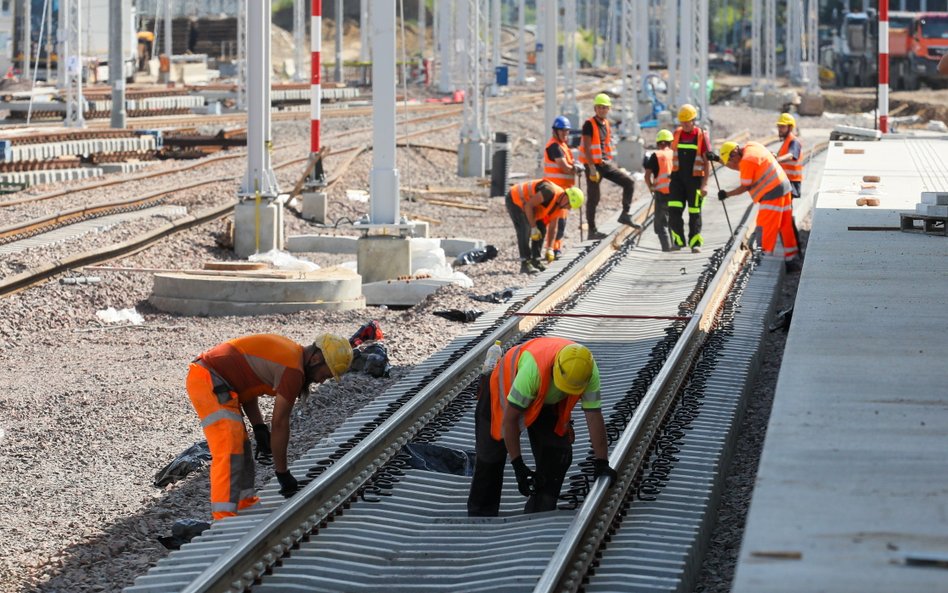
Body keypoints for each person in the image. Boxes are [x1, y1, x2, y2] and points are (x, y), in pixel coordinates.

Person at [186, 333, 353, 521]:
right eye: (325, 374)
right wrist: (283, 473)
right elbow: (280, 423)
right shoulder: (294, 371)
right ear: (315, 358)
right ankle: (224, 518)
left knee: (241, 446)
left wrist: (258, 428)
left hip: (216, 379)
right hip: (207, 378)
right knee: (229, 446)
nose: (321, 381)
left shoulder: (291, 355)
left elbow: (246, 381)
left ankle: (244, 503)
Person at [467, 337, 618, 516]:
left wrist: (602, 462)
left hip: (546, 400)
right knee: (490, 456)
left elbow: (594, 417)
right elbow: (509, 421)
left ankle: (539, 512)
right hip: (503, 392)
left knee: (557, 454)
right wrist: (518, 466)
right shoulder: (532, 372)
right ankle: (481, 516)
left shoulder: (587, 371)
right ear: (555, 370)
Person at [717, 141, 802, 272]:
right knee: (785, 226)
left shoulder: (747, 161)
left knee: (764, 227)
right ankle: (792, 260)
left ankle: (764, 260)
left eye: (730, 160)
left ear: (734, 154)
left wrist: (727, 194)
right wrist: (718, 159)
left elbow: (745, 186)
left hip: (772, 194)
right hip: (784, 188)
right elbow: (739, 166)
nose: (731, 163)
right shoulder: (752, 146)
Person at [580, 93, 637, 240]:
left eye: (605, 108)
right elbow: (586, 148)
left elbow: (605, 145)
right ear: (595, 108)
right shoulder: (589, 124)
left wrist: (612, 163)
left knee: (628, 182)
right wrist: (591, 168)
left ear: (608, 109)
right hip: (593, 165)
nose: (602, 110)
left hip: (604, 164)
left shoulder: (606, 124)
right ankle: (592, 231)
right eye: (599, 107)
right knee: (594, 198)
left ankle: (625, 214)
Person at [505, 179, 584, 274]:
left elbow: (552, 228)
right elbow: (528, 206)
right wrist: (533, 227)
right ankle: (525, 263)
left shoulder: (559, 206)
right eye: (570, 205)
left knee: (541, 227)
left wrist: (549, 248)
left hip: (529, 206)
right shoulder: (549, 191)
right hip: (515, 198)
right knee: (525, 228)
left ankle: (536, 260)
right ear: (566, 198)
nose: (568, 208)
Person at [669, 104, 712, 253]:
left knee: (694, 212)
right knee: (674, 210)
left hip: (694, 181)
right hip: (677, 179)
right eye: (682, 121)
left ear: (694, 120)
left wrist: (705, 184)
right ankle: (678, 241)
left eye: (687, 121)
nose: (685, 124)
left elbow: (707, 163)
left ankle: (695, 243)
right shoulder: (676, 134)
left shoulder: (701, 136)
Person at [542, 116, 585, 261]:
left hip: (564, 192)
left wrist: (575, 164)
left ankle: (556, 248)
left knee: (561, 222)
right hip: (555, 191)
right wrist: (575, 168)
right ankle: (552, 249)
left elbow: (569, 163)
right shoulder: (554, 146)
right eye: (563, 131)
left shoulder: (563, 146)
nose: (566, 134)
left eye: (567, 132)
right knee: (556, 221)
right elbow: (564, 167)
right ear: (556, 131)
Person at [774, 112, 803, 251]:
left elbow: (792, 155)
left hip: (791, 183)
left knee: (786, 217)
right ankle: (792, 245)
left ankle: (794, 246)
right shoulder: (786, 142)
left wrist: (777, 159)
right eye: (779, 127)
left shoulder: (793, 141)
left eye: (782, 127)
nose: (780, 129)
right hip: (786, 183)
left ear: (790, 127)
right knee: (785, 216)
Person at [643, 129, 675, 251]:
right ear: (670, 143)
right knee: (673, 220)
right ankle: (676, 245)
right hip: (675, 192)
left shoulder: (656, 155)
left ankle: (666, 248)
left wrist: (651, 186)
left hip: (661, 193)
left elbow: (647, 176)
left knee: (661, 224)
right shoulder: (674, 154)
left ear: (658, 143)